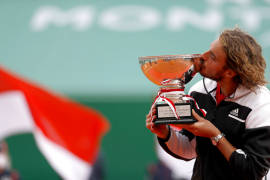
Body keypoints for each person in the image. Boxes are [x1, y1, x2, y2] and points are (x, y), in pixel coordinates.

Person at [146, 27, 270, 180]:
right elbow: (190, 149)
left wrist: (215, 135)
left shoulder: (261, 104)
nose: (202, 56)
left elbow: (253, 171)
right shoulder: (200, 90)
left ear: (230, 72)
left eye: (212, 57)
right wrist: (164, 133)